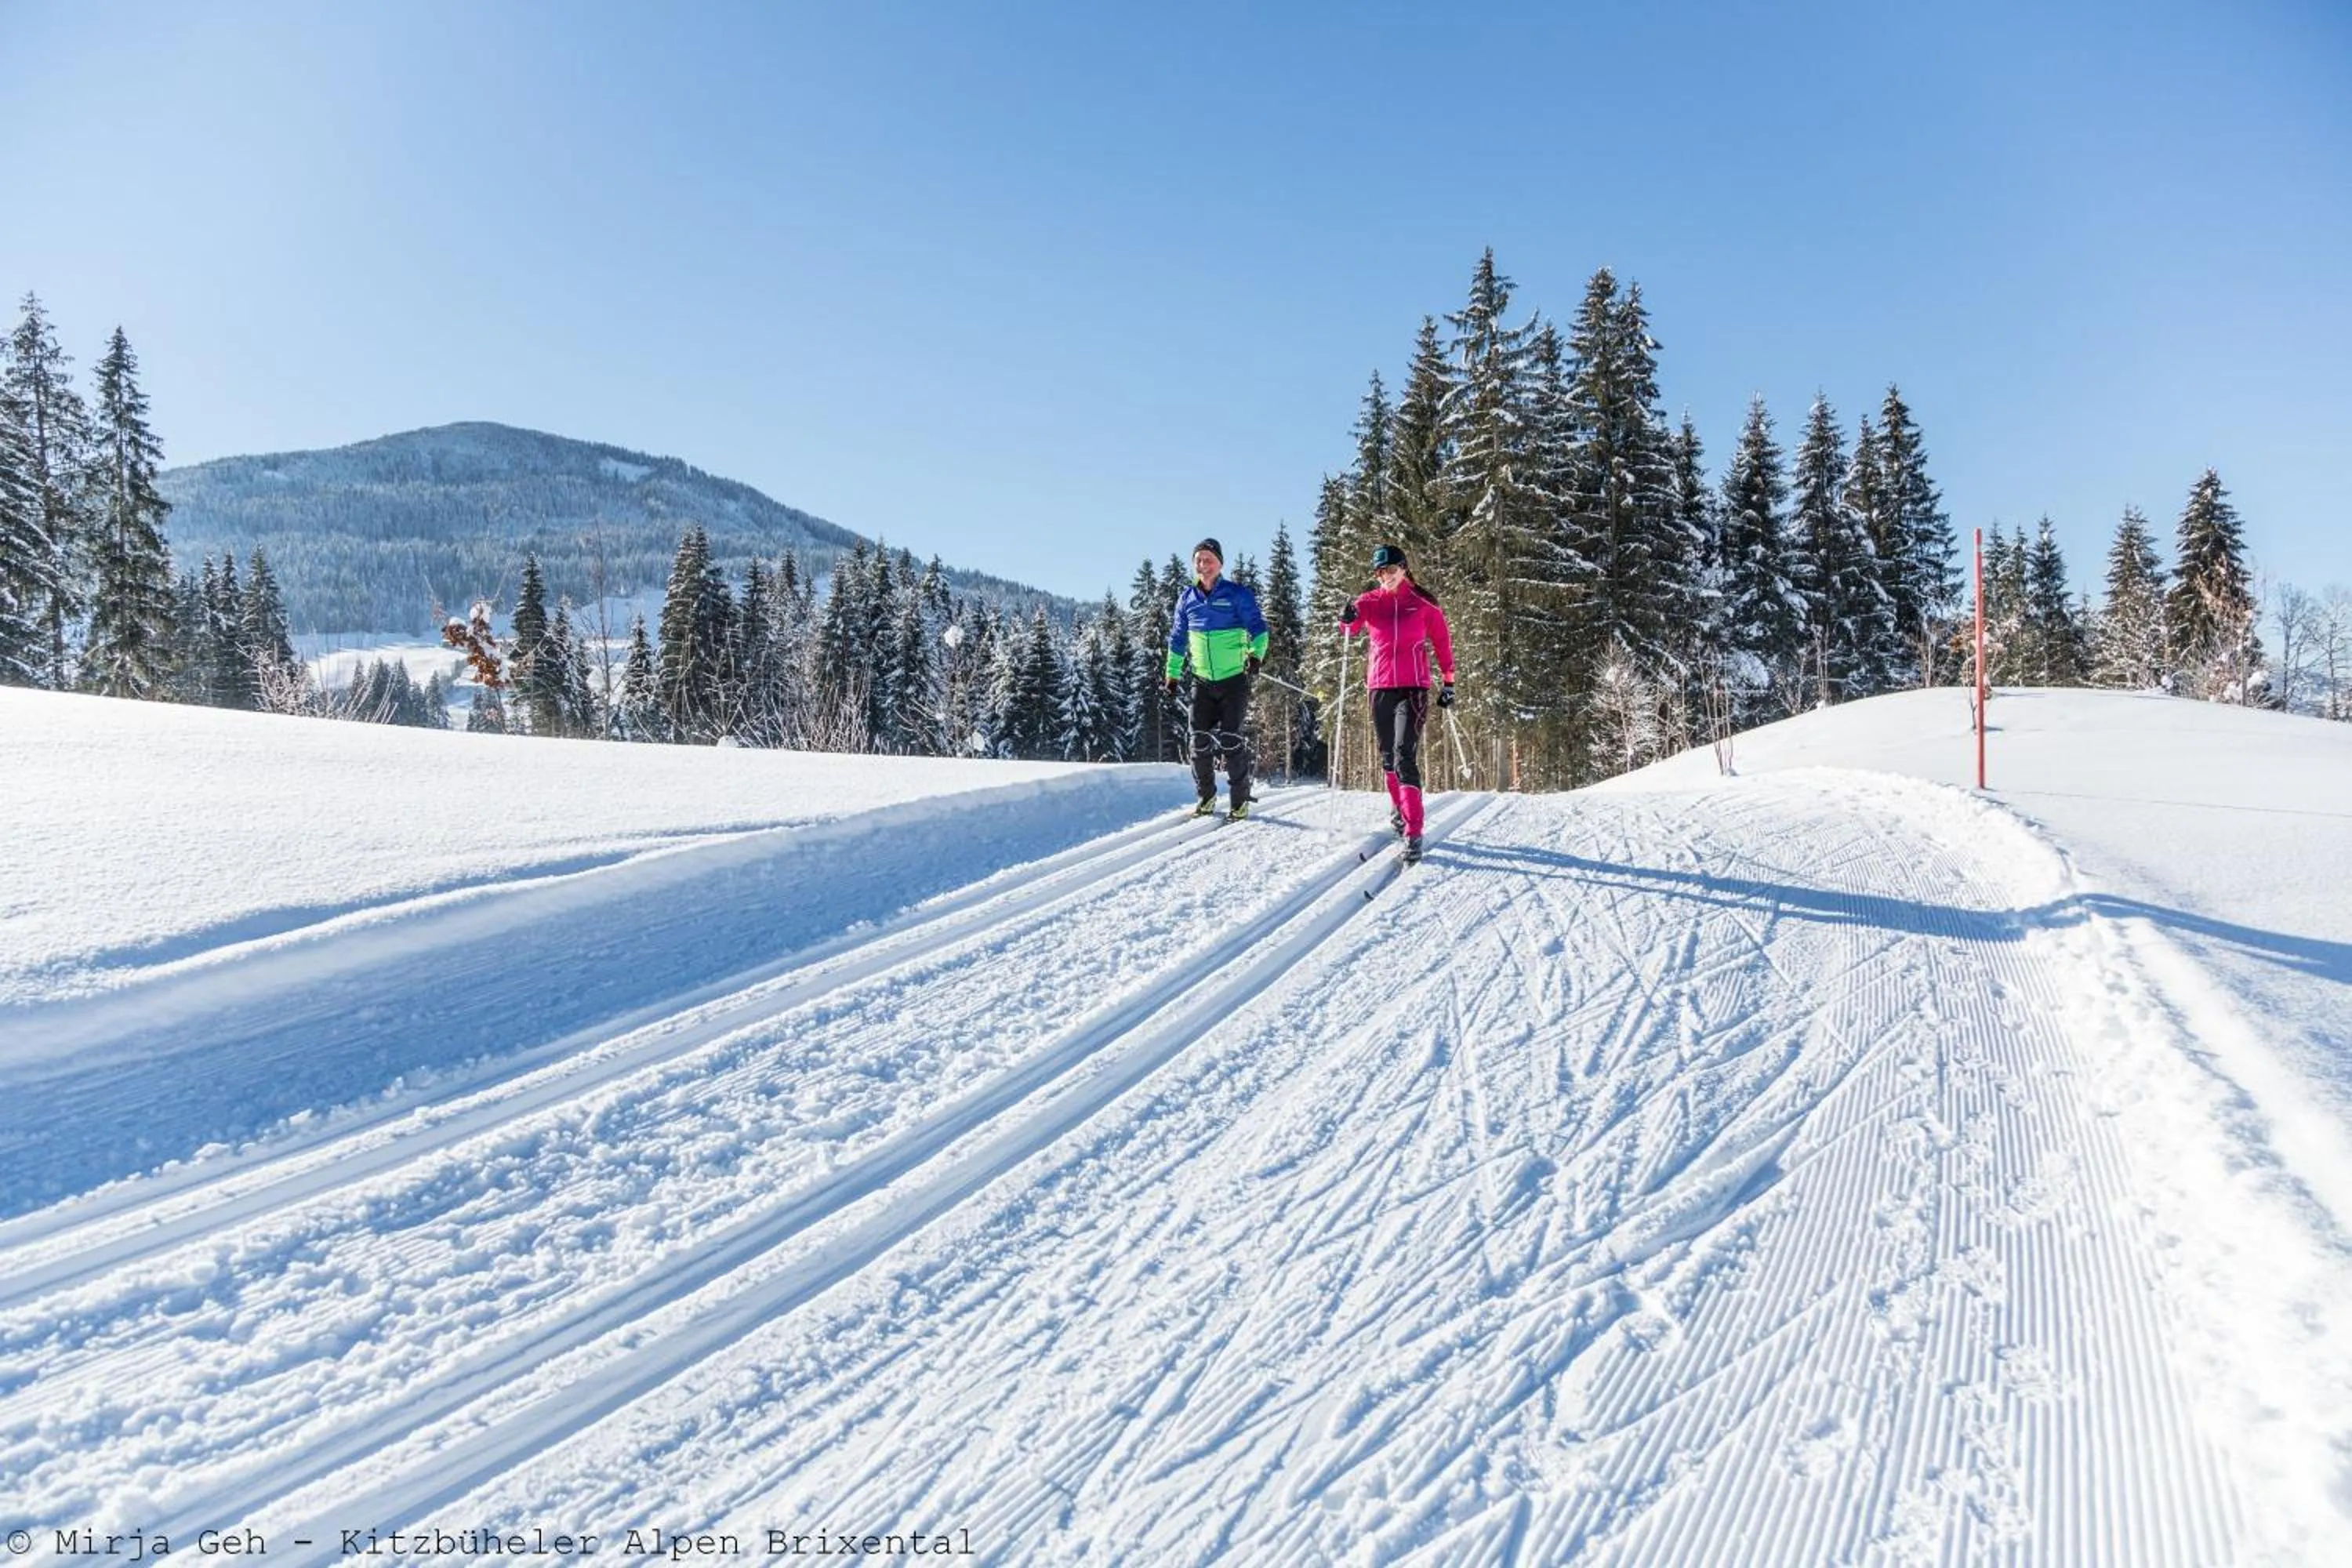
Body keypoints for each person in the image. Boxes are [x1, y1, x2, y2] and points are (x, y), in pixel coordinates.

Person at [1339, 543, 1454, 863]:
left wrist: (1449, 683)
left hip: (1413, 689)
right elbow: (1349, 627)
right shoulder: (1370, 602)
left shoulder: (1423, 605)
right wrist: (1346, 618)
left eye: (1391, 570)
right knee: (1388, 759)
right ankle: (1400, 810)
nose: (1385, 577)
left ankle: (1414, 832)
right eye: (1380, 572)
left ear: (1404, 569)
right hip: (1379, 688)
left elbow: (1443, 643)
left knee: (1405, 756)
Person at [1165, 537, 1269, 820]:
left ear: (1220, 563)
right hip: (1201, 680)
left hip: (1233, 680)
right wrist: (1171, 675)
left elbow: (1259, 629)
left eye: (1208, 559)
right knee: (1198, 742)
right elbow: (1176, 639)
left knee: (1230, 740)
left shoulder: (1237, 594)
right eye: (1198, 560)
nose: (1203, 565)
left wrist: (1255, 655)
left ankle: (1239, 801)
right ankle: (1206, 798)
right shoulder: (1187, 598)